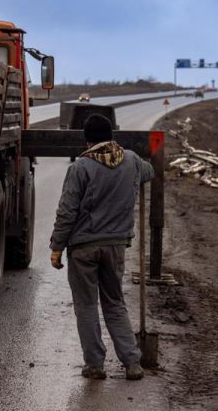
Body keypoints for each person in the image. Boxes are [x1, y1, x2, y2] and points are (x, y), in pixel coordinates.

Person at [50, 114, 153, 381]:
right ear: (112, 136)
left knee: (86, 305)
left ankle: (95, 365)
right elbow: (150, 172)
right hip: (116, 246)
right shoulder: (131, 160)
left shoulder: (80, 167)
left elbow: (67, 212)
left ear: (87, 139)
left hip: (83, 248)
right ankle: (132, 363)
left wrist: (56, 247)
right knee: (115, 303)